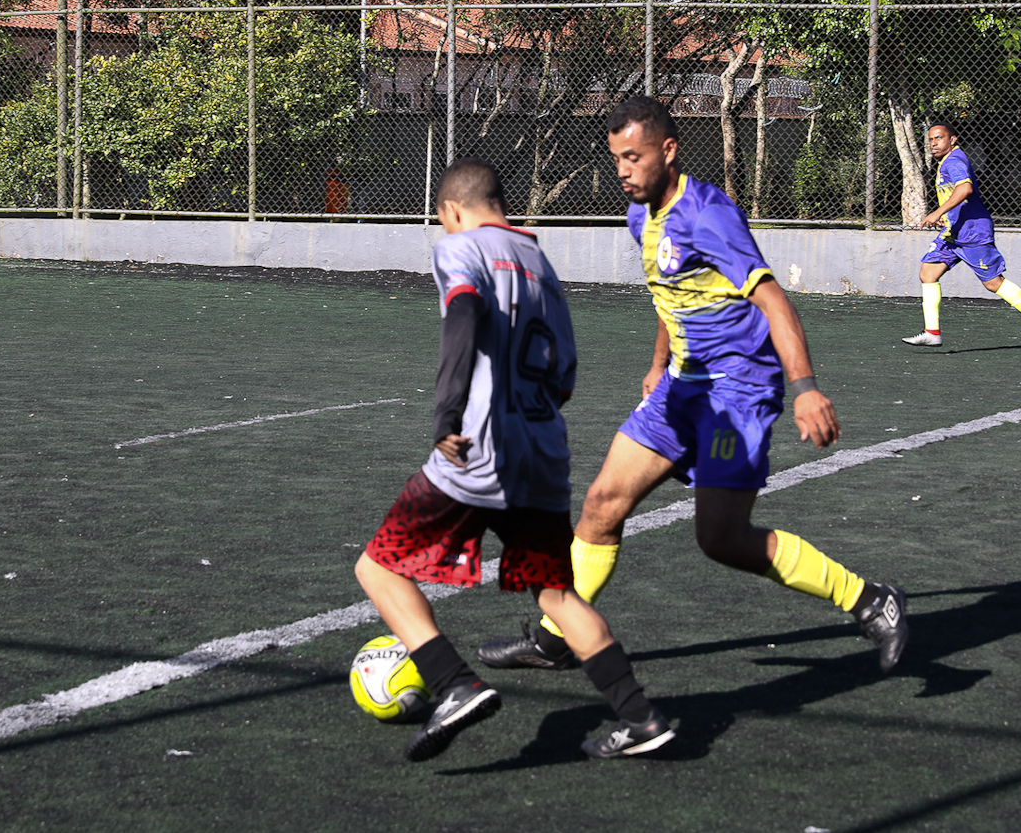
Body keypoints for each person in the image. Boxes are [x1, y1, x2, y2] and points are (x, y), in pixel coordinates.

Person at [477, 96, 910, 680]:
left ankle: (868, 600)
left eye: (634, 156)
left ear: (669, 150)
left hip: (737, 394)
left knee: (722, 538)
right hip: (683, 388)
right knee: (602, 506)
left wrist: (805, 387)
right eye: (616, 159)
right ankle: (558, 639)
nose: (623, 170)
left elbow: (773, 300)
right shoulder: (641, 215)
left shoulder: (709, 214)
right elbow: (669, 291)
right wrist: (659, 363)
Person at [354, 157, 675, 762]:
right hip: (544, 453)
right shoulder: (541, 264)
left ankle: (454, 685)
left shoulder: (459, 249)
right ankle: (641, 716)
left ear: (451, 211)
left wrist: (448, 411)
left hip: (479, 450)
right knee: (557, 595)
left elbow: (465, 316)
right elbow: (565, 376)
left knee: (379, 568)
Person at [902, 122, 1021, 349]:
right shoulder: (946, 162)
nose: (933, 143)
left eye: (939, 138)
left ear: (952, 140)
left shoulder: (954, 160)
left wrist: (937, 212)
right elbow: (957, 196)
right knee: (928, 273)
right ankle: (932, 332)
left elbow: (965, 189)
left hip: (972, 232)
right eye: (931, 139)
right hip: (954, 231)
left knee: (993, 283)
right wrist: (947, 216)